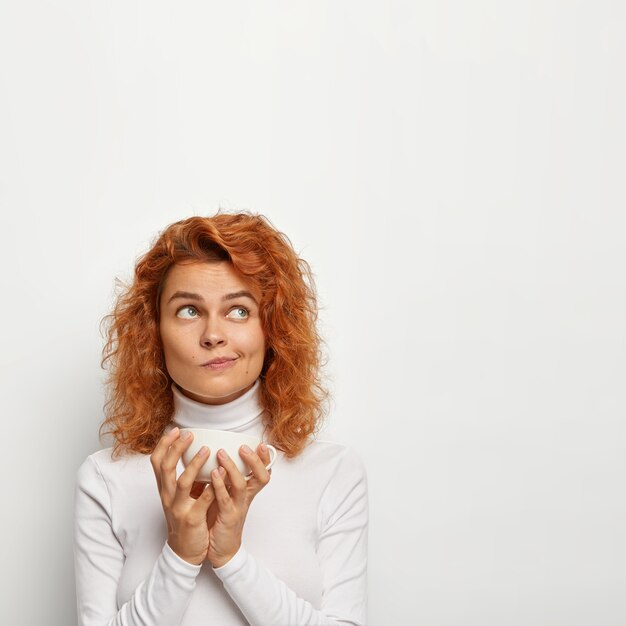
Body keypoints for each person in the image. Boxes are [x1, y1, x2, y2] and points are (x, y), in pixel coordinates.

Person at [73, 211, 368, 626]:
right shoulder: (105, 478)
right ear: (153, 331)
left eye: (240, 311)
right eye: (189, 311)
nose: (213, 334)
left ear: (274, 329)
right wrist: (179, 554)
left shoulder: (334, 473)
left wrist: (231, 559)